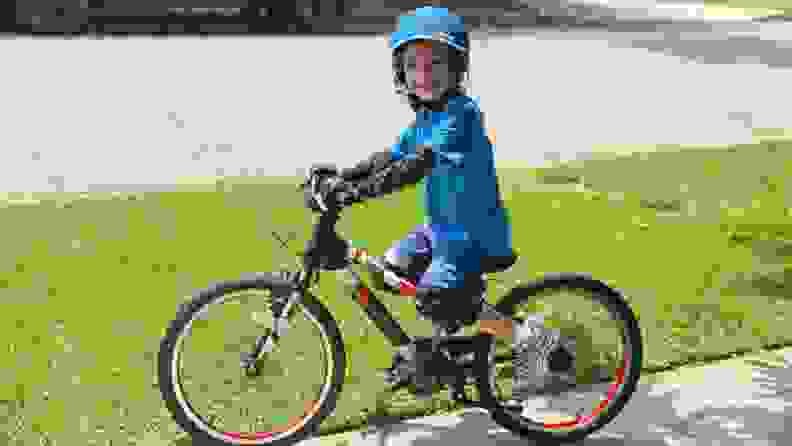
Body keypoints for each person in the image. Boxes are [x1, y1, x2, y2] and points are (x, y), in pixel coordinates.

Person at [304, 6, 574, 399]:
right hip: (438, 230)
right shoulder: (425, 119)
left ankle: (532, 339)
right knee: (389, 270)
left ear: (457, 68)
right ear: (402, 74)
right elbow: (389, 159)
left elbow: (414, 167)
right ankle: (443, 341)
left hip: (472, 235)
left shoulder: (461, 115)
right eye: (414, 65)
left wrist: (354, 194)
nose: (425, 74)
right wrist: (342, 177)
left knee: (436, 298)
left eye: (437, 63)